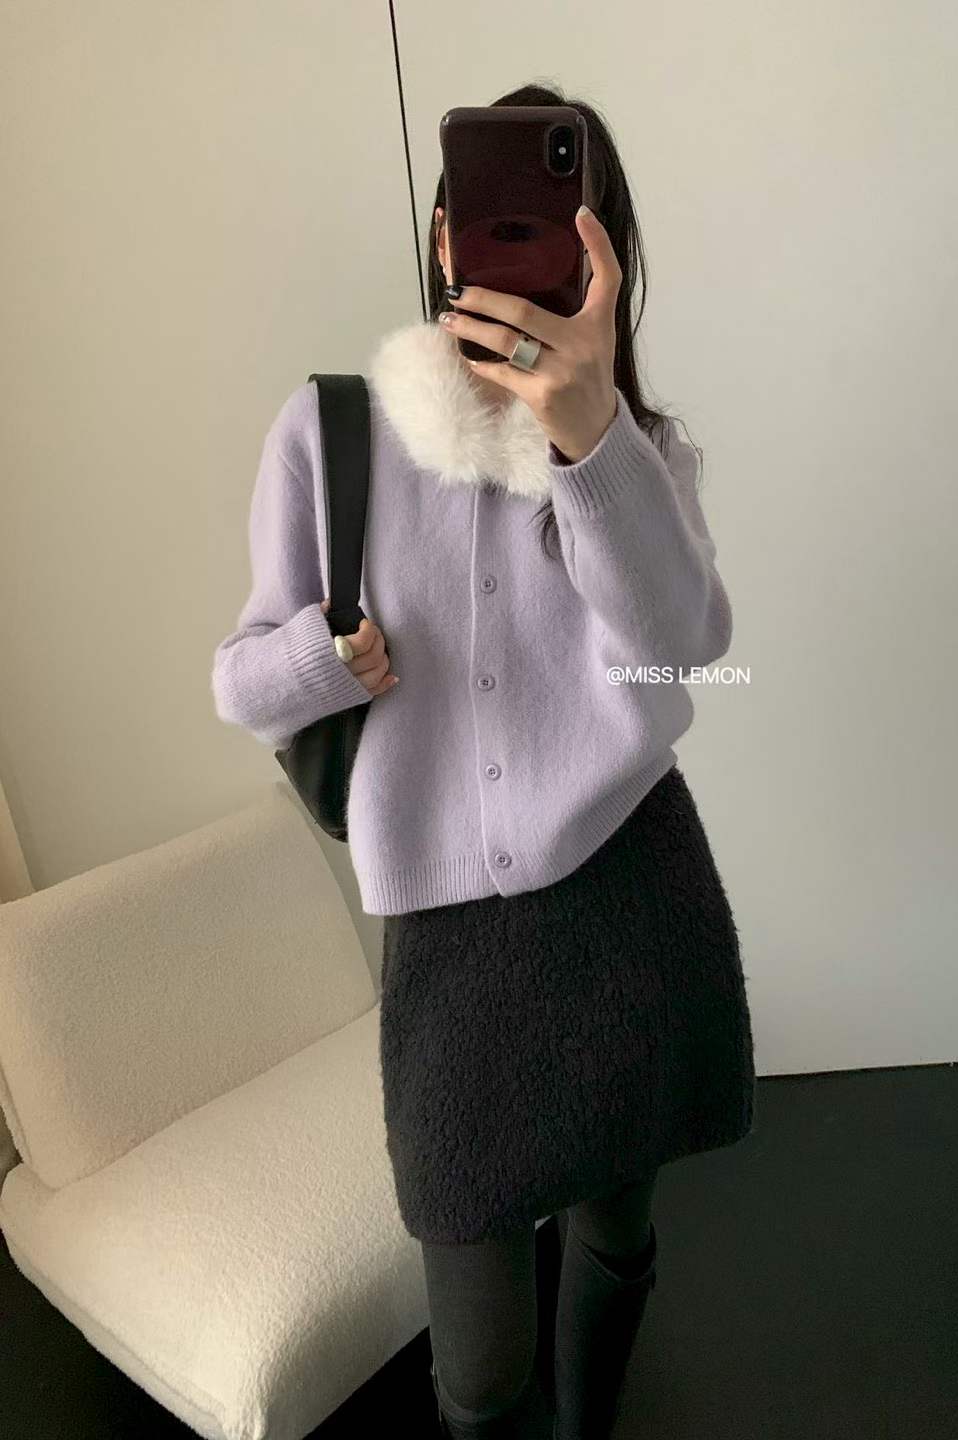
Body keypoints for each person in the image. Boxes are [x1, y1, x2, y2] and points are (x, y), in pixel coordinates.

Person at [212, 82, 756, 1440]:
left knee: (618, 1237)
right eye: (483, 215)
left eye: (558, 223)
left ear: (602, 260)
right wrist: (328, 660)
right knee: (478, 1365)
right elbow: (241, 681)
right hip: (450, 960)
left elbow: (683, 647)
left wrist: (589, 439)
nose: (510, 248)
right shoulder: (332, 436)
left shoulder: (641, 455)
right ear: (444, 237)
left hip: (632, 902)